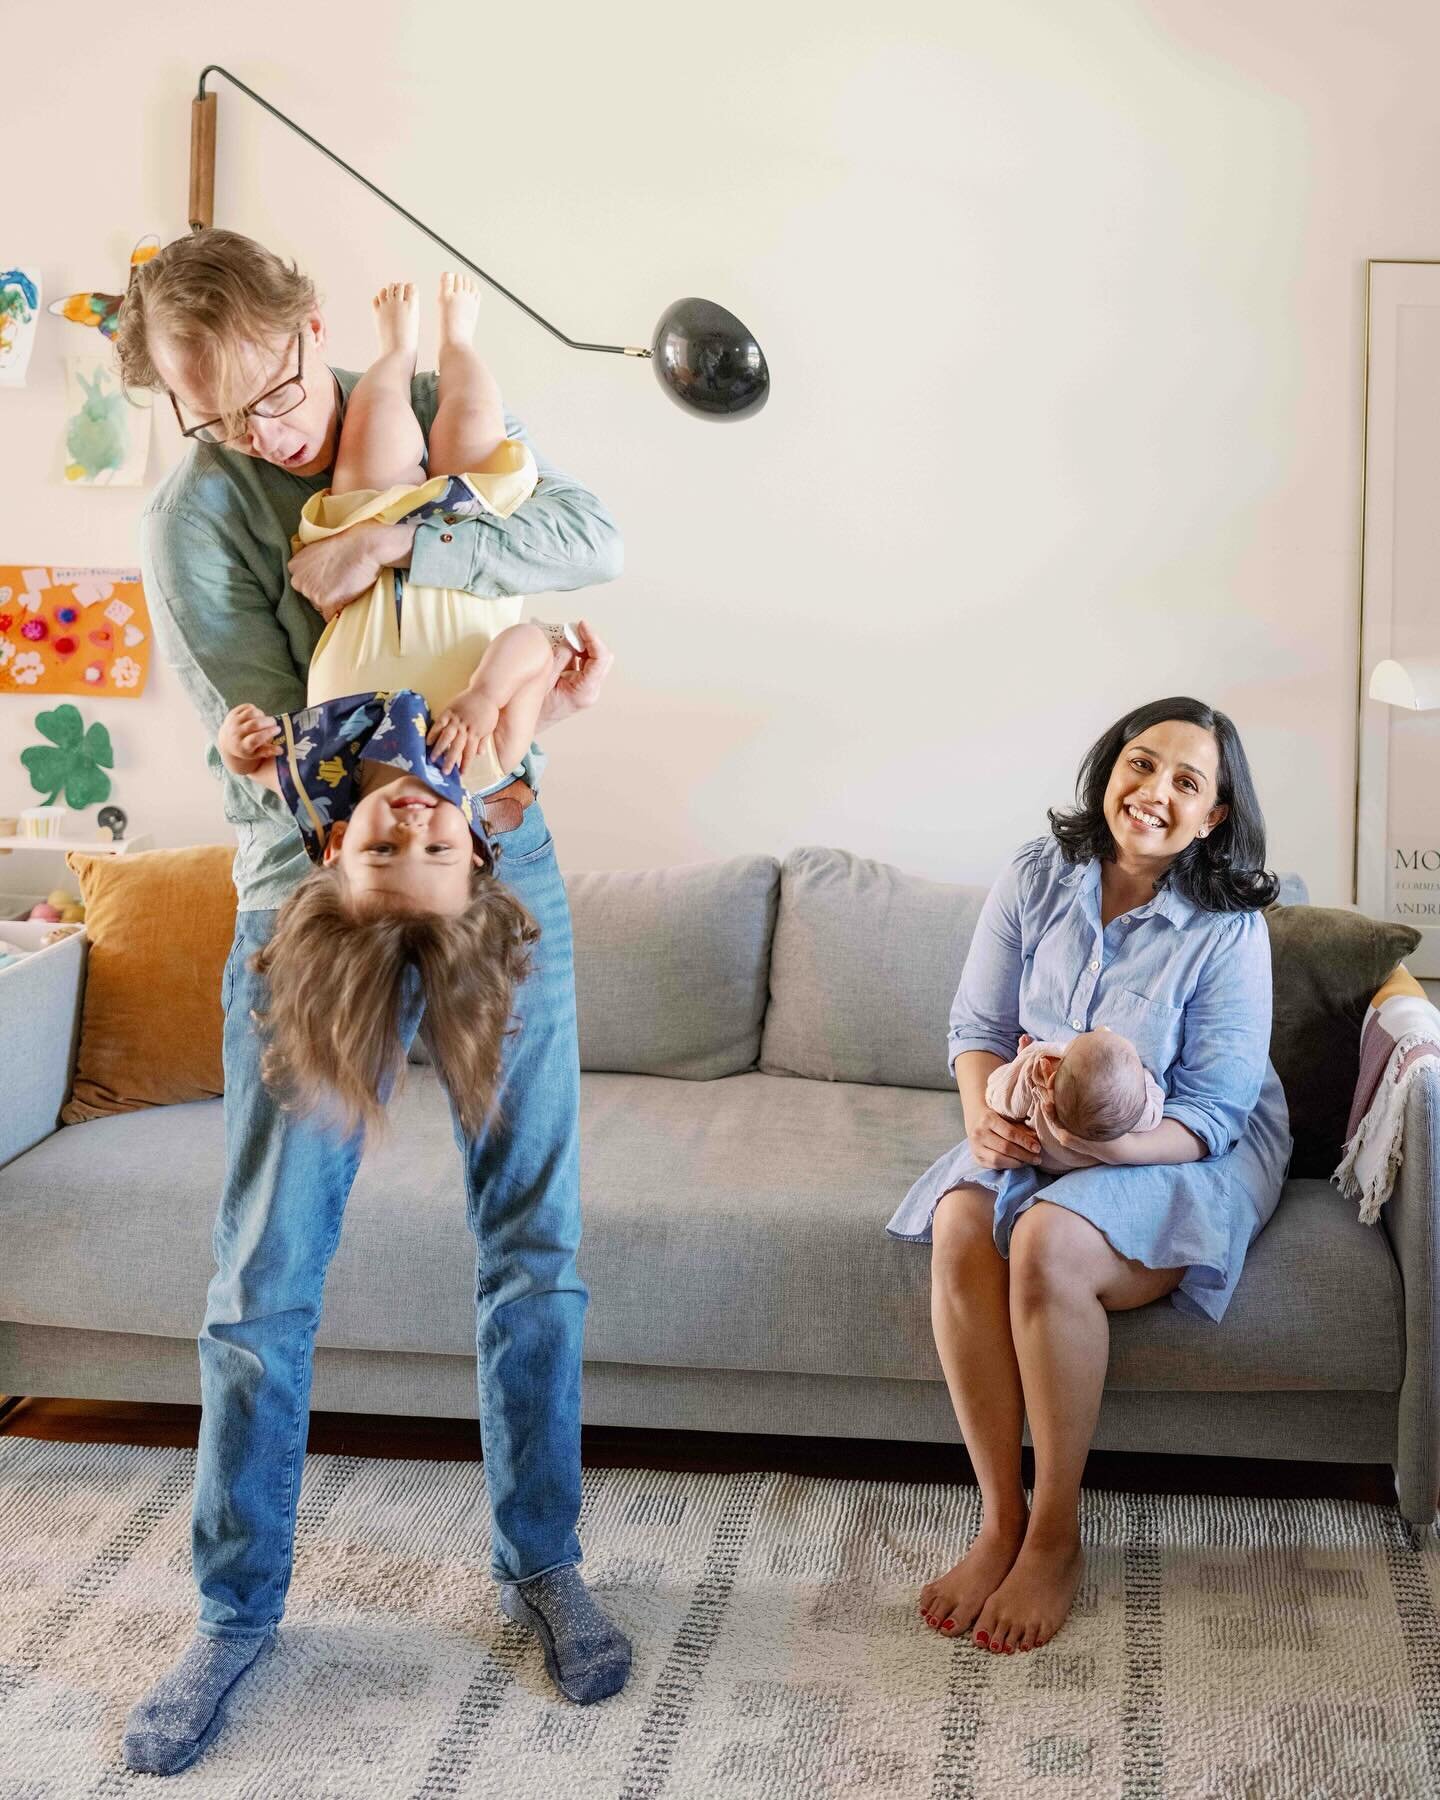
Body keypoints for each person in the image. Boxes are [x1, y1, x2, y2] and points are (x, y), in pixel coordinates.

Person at [112, 228, 626, 1777]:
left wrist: (403, 546)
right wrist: (426, 764)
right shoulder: (196, 518)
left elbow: (590, 533)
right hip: (311, 879)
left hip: (499, 852)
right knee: (266, 1270)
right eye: (218, 421)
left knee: (533, 1244)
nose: (260, 438)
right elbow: (296, 719)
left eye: (270, 397)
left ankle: (545, 1557)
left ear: (310, 335)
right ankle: (236, 1610)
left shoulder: (413, 413)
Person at [887, 696, 1291, 1658]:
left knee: (1045, 1239)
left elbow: (1215, 1115)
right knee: (958, 1221)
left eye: (1186, 782)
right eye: (1140, 764)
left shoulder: (1228, 926)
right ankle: (1000, 1521)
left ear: (1215, 816)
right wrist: (986, 1123)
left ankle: (1057, 1534)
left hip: (1182, 1145)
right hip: (1035, 1116)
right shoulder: (1038, 873)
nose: (1153, 792)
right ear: (1110, 768)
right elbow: (976, 1034)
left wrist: (1093, 1155)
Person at [212, 272, 580, 1138]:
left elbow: (250, 761)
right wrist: (489, 690)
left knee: (378, 428)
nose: (415, 821)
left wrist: (240, 743)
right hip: (468, 544)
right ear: (476, 851)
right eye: (438, 846)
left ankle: (395, 352)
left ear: (339, 844)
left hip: (366, 541)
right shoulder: (482, 760)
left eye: (386, 848)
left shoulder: (318, 781)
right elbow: (540, 645)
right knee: (472, 424)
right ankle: (458, 340)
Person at [985, 1028, 1165, 1173]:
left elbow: (999, 1097)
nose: (1103, 1028)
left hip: (1042, 1160)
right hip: (1093, 1168)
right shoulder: (1136, 1110)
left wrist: (1023, 1063)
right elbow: (1155, 1100)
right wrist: (1143, 1078)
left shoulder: (1036, 1074)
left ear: (1050, 1074)